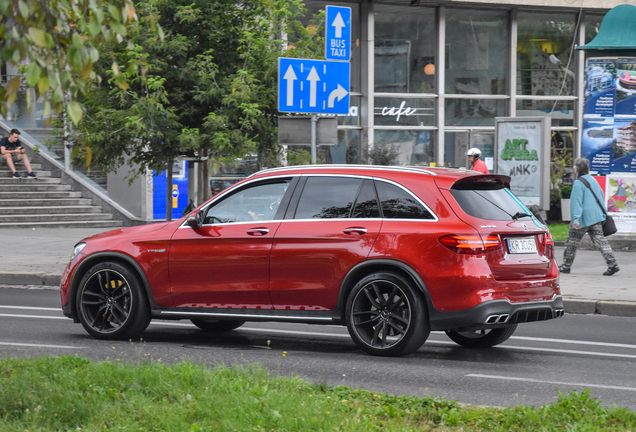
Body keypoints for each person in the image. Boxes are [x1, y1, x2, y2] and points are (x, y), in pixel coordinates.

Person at [559, 157, 619, 276]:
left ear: (576, 170)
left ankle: (566, 266)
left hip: (582, 219)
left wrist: (576, 219)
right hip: (596, 217)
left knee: (571, 242)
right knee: (601, 241)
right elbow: (600, 196)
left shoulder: (578, 183)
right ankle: (612, 264)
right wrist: (603, 215)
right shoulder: (593, 180)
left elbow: (576, 202)